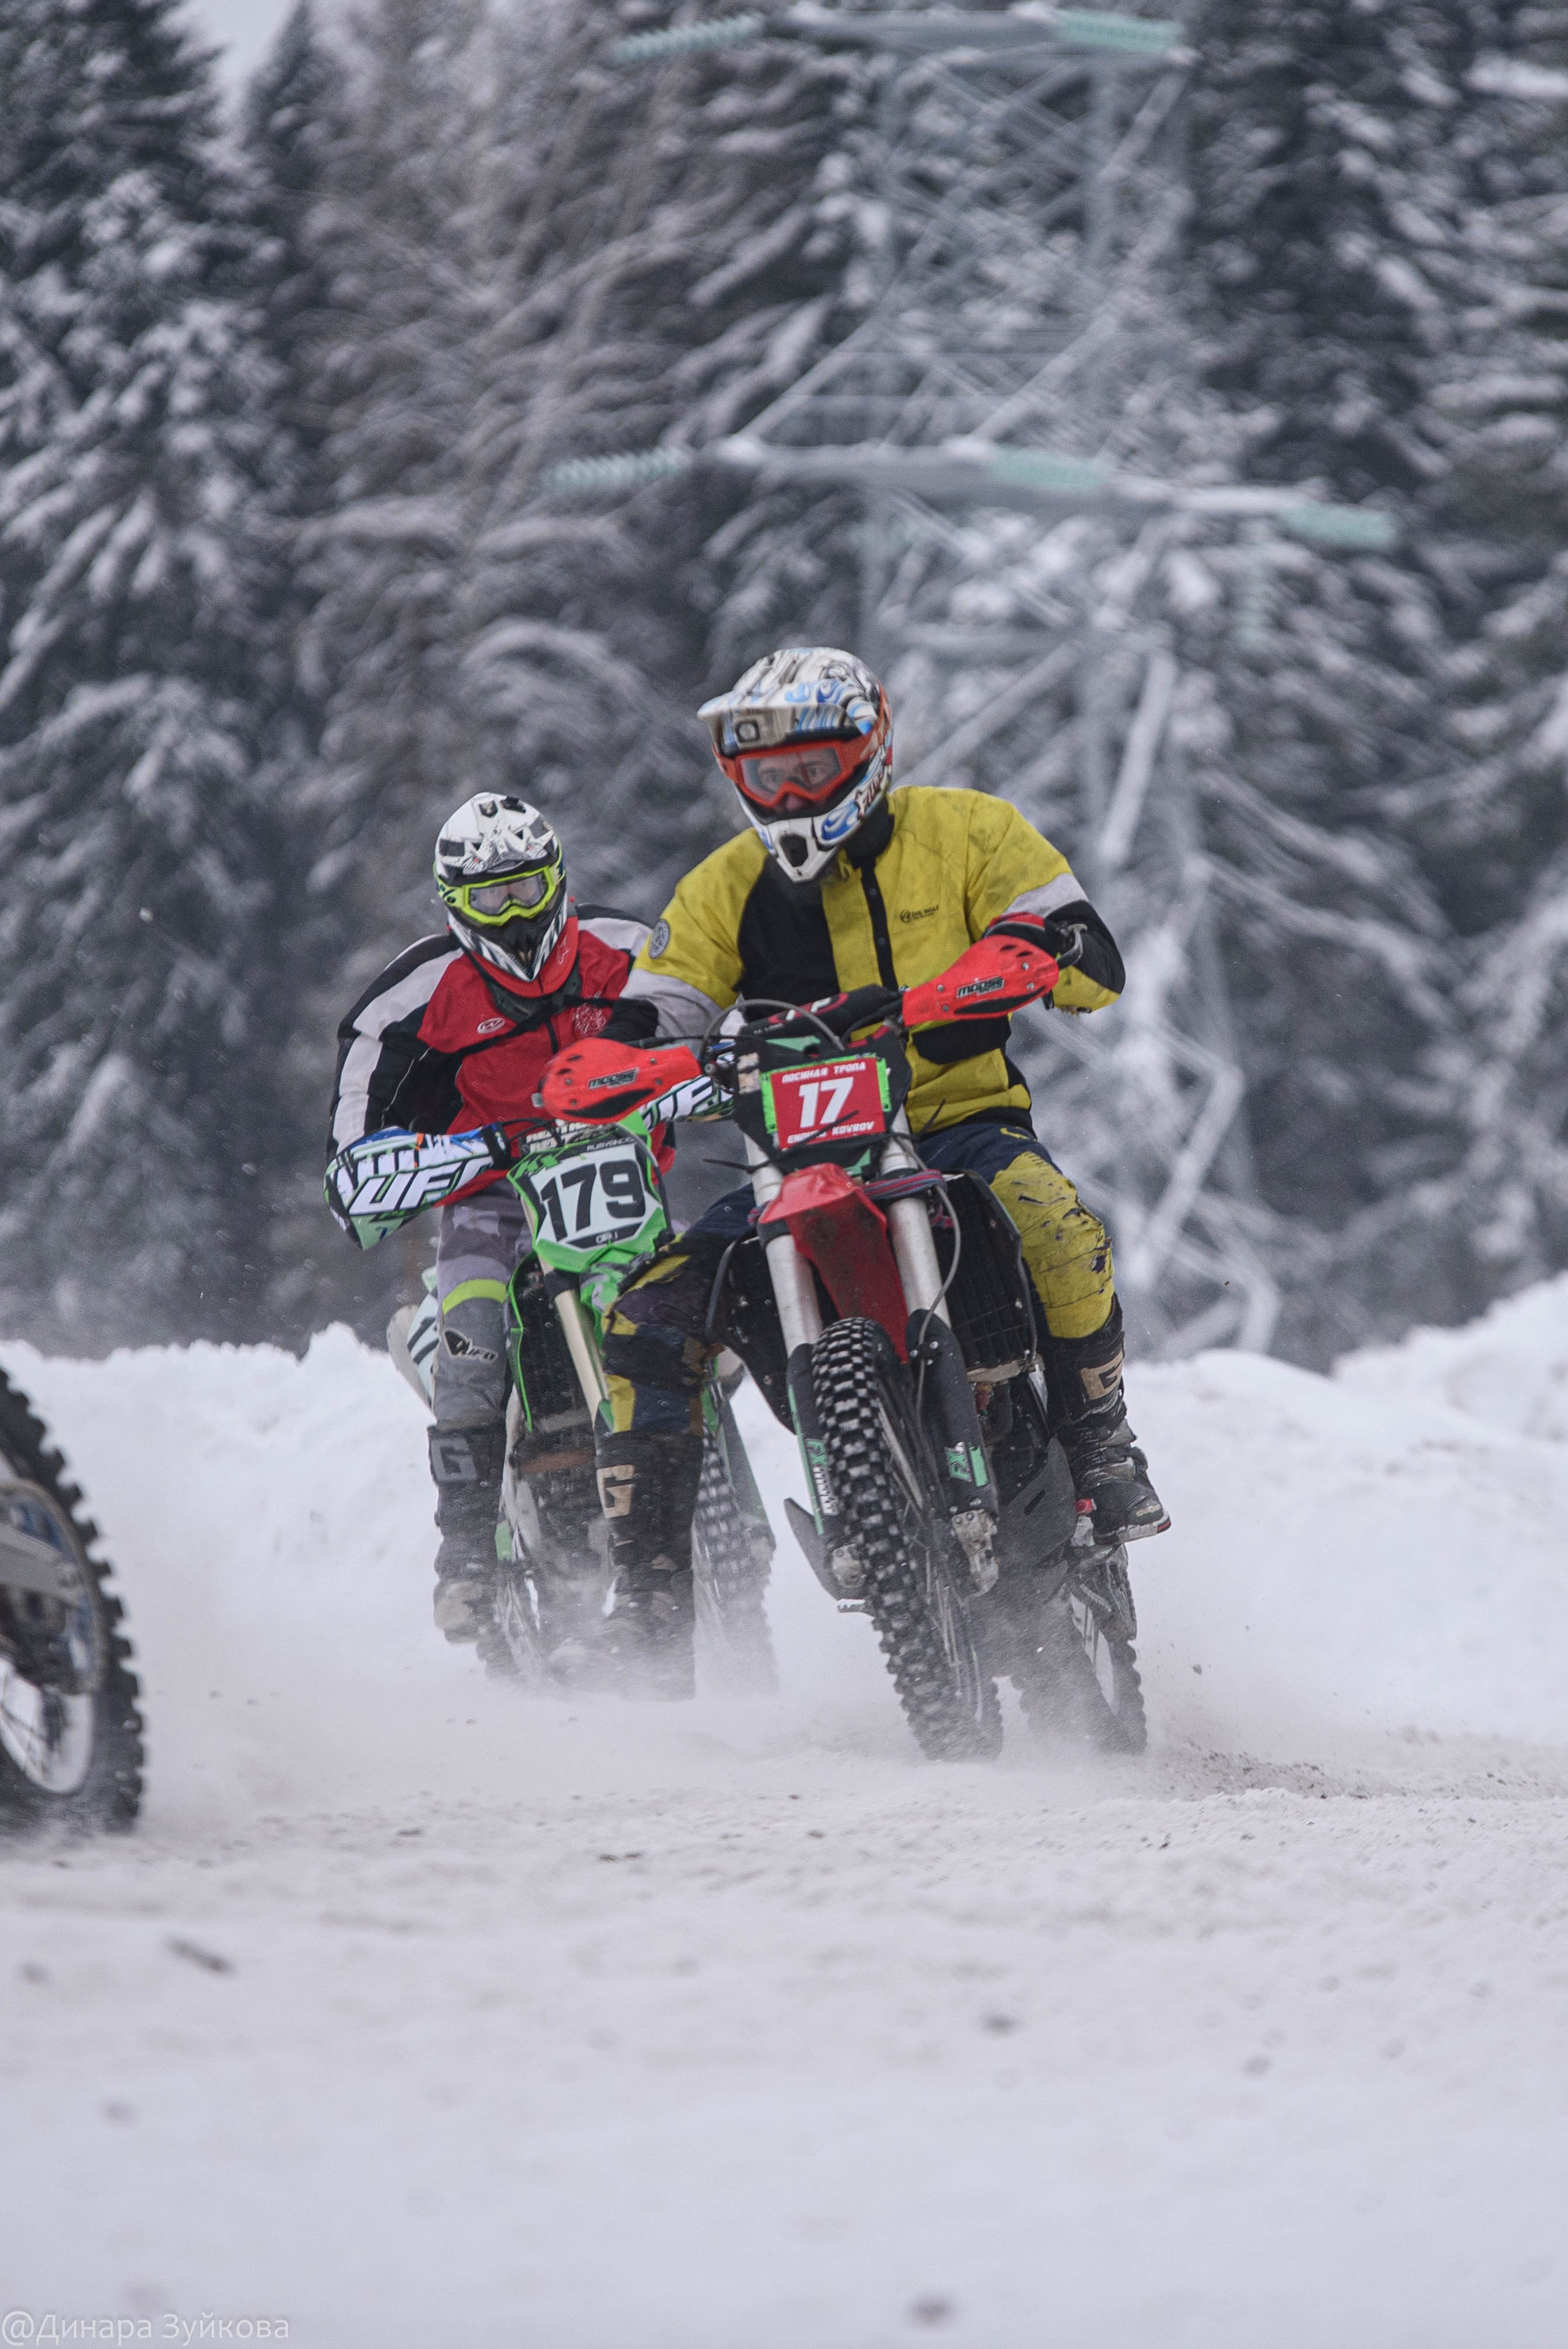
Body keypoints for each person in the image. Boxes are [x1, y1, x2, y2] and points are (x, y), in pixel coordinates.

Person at [575, 645, 1169, 1685]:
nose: (793, 793)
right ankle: (654, 1598)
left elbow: (1084, 949)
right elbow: (661, 996)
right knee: (645, 1317)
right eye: (769, 776)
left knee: (1057, 1222)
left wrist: (1027, 952)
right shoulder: (725, 886)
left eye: (814, 766)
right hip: (788, 1158)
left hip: (954, 1124)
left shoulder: (968, 828)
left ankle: (1104, 1447)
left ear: (872, 750)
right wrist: (618, 1057)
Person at [327, 795, 652, 1645]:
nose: (514, 914)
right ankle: (465, 1558)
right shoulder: (420, 989)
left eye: (527, 889)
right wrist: (368, 1166)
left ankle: (730, 1512)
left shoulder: (628, 950)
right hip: (490, 1195)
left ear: (559, 880)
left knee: (693, 1316)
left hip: (617, 1177)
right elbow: (360, 1113)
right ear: (455, 904)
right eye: (491, 900)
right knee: (472, 1337)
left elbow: (705, 1010)